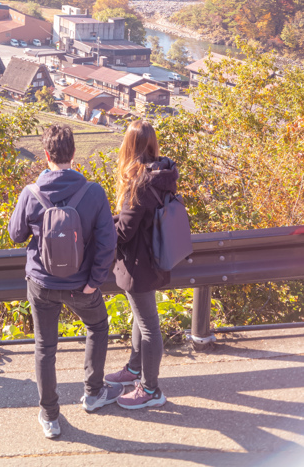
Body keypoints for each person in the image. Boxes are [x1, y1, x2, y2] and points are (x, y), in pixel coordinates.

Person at [9, 124, 121, 439]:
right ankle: (93, 392)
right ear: (73, 154)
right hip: (80, 285)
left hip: (41, 285)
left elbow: (16, 234)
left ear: (46, 155)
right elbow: (107, 243)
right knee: (97, 327)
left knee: (45, 347)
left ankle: (50, 416)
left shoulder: (30, 193)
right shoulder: (94, 192)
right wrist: (93, 282)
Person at [106, 118, 179, 410]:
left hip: (139, 265)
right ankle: (134, 370)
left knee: (149, 326)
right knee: (141, 317)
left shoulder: (139, 183)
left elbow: (124, 231)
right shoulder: (162, 174)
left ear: (129, 145)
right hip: (157, 258)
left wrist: (100, 228)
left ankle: (150, 389)